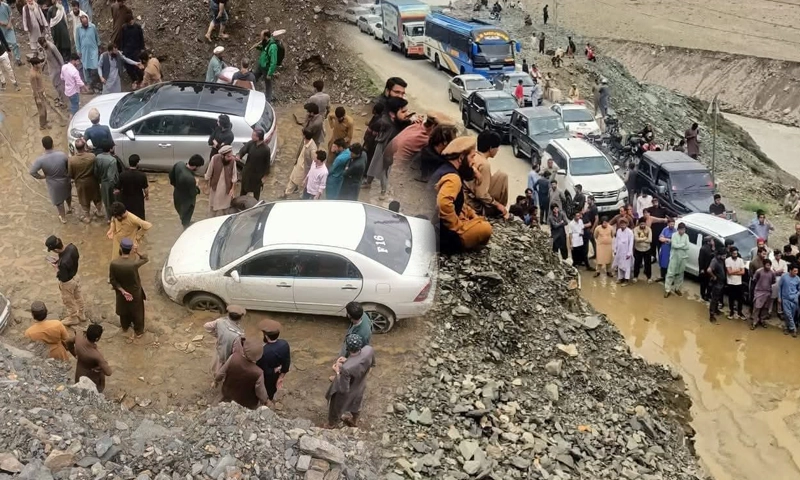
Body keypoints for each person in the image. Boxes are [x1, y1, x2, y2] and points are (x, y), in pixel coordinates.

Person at [429, 136, 492, 254]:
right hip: (438, 235)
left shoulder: (446, 169)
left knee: (475, 218)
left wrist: (470, 213)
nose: (474, 162)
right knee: (485, 228)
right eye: (472, 157)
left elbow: (457, 201)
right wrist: (456, 226)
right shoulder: (453, 179)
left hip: (432, 227)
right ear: (461, 158)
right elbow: (443, 204)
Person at [365, 97, 413, 199]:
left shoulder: (401, 122)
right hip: (381, 145)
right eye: (403, 111)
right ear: (392, 114)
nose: (406, 114)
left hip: (390, 150)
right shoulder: (386, 121)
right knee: (374, 164)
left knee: (385, 170)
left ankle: (383, 191)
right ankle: (368, 182)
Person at [325, 334, 375, 428]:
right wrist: (348, 360)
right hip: (360, 385)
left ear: (348, 348)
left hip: (349, 391)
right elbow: (371, 365)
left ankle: (331, 425)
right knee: (356, 404)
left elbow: (343, 389)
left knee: (335, 407)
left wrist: (338, 371)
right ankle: (354, 421)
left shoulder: (346, 368)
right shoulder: (369, 350)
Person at [108, 238, 148, 340]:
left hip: (121, 292)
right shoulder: (133, 264)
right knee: (137, 312)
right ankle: (138, 332)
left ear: (120, 248)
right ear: (130, 250)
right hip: (135, 292)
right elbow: (145, 258)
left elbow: (112, 280)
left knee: (123, 310)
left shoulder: (114, 263)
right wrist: (137, 251)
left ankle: (125, 327)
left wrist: (123, 291)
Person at [215, 337, 270, 409]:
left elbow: (220, 374)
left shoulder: (233, 357)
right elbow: (260, 392)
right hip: (246, 402)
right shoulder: (258, 373)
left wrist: (216, 380)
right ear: (259, 355)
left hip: (228, 393)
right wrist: (265, 400)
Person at [464, 131, 508, 218]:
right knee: (503, 176)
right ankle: (498, 212)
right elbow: (481, 194)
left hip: (466, 196)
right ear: (491, 148)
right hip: (473, 204)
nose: (498, 150)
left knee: (499, 176)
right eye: (497, 147)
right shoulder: (484, 164)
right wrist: (497, 204)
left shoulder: (473, 156)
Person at [30, 136, 72, 224]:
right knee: (68, 195)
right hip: (65, 180)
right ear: (53, 144)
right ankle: (70, 207)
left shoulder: (40, 160)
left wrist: (41, 177)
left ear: (43, 146)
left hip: (53, 183)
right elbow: (69, 165)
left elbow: (32, 172)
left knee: (59, 202)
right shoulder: (62, 155)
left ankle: (63, 218)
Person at [45, 235, 85, 325]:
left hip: (68, 283)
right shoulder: (72, 247)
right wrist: (59, 261)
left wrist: (56, 268)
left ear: (55, 250)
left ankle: (73, 318)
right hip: (76, 276)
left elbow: (63, 277)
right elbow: (69, 259)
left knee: (68, 301)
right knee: (78, 296)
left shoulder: (62, 263)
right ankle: (81, 314)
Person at [204, 305, 246, 378]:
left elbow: (207, 326)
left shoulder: (220, 321)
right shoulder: (237, 336)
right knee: (221, 369)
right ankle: (217, 380)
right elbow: (237, 352)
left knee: (216, 364)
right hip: (226, 355)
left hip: (219, 348)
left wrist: (216, 335)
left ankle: (215, 378)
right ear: (240, 318)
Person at [256, 319, 291, 404]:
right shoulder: (284, 343)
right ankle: (270, 398)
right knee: (272, 388)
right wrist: (281, 376)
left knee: (265, 388)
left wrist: (274, 370)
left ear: (266, 336)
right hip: (277, 374)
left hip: (267, 376)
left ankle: (264, 401)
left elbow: (262, 369)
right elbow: (287, 361)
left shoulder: (263, 351)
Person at [68, 138, 103, 222]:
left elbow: (70, 174)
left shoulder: (72, 160)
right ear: (85, 146)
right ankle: (99, 212)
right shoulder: (92, 156)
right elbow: (97, 169)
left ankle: (87, 217)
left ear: (76, 148)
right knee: (97, 197)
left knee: (84, 200)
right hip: (93, 181)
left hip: (81, 183)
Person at [71, 323, 112, 392]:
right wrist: (100, 367)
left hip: (80, 371)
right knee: (92, 392)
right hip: (92, 376)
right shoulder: (97, 355)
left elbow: (67, 342)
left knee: (79, 388)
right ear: (97, 338)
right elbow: (108, 372)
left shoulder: (78, 337)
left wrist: (74, 354)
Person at [169, 155, 204, 229]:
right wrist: (197, 185)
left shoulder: (179, 164)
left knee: (181, 212)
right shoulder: (190, 179)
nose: (198, 169)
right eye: (199, 167)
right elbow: (193, 193)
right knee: (186, 215)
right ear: (195, 166)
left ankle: (184, 223)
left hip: (177, 194)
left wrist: (176, 185)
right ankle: (186, 228)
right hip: (187, 201)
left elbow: (171, 175)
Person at [237, 128, 271, 200]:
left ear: (258, 138)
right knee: (243, 191)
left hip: (257, 176)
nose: (251, 136)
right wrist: (239, 155)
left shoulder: (266, 150)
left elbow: (267, 164)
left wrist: (265, 176)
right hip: (247, 172)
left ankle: (255, 206)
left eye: (253, 135)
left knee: (256, 193)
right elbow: (243, 150)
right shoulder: (251, 143)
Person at [205, 145, 238, 215]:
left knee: (226, 208)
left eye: (231, 155)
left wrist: (232, 189)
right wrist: (206, 185)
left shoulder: (233, 161)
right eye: (228, 156)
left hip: (226, 188)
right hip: (215, 187)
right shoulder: (214, 158)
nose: (230, 158)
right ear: (222, 156)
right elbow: (209, 172)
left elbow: (234, 176)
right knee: (213, 206)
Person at [283, 129, 316, 198]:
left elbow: (314, 162)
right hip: (298, 164)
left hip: (303, 169)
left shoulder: (313, 149)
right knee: (292, 179)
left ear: (305, 136)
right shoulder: (305, 142)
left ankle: (299, 196)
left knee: (300, 183)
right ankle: (287, 193)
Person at [93, 141, 120, 222]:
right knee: (113, 201)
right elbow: (111, 176)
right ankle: (114, 218)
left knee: (106, 201)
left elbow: (95, 171)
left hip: (102, 182)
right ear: (111, 148)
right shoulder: (112, 160)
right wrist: (115, 187)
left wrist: (99, 180)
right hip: (110, 184)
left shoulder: (98, 157)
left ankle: (109, 218)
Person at [115, 155, 148, 220]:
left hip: (125, 198)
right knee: (139, 216)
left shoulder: (122, 175)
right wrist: (147, 196)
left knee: (127, 216)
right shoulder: (142, 175)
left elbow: (118, 188)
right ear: (137, 163)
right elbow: (145, 188)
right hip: (138, 199)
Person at [75, 13, 101, 92]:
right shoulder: (78, 29)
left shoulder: (92, 26)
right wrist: (78, 51)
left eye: (87, 22)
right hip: (84, 51)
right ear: (81, 23)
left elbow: (97, 37)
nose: (86, 24)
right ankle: (89, 83)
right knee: (85, 67)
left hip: (93, 49)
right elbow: (77, 41)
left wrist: (99, 46)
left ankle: (95, 82)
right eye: (84, 23)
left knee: (95, 66)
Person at [664, 222, 690, 297]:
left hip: (683, 257)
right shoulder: (674, 235)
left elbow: (687, 247)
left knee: (680, 274)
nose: (682, 231)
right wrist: (682, 245)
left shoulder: (686, 236)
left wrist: (680, 246)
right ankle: (667, 290)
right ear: (678, 229)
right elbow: (674, 245)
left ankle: (677, 288)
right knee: (670, 273)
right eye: (681, 229)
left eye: (684, 230)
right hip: (674, 257)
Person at [38, 36, 66, 106]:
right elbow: (47, 57)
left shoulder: (52, 47)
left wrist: (63, 68)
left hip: (57, 68)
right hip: (51, 68)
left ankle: (62, 100)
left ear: (45, 41)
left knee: (58, 84)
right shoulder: (44, 48)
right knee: (54, 84)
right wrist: (43, 65)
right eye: (42, 45)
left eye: (44, 43)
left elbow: (59, 57)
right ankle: (60, 97)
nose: (43, 45)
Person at [120, 15, 144, 88]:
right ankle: (134, 80)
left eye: (131, 21)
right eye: (129, 22)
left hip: (136, 50)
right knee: (128, 67)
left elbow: (141, 38)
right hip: (127, 51)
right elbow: (122, 39)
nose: (131, 22)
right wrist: (122, 49)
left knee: (137, 66)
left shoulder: (137, 27)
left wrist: (142, 48)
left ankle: (140, 80)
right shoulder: (124, 28)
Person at [751, 259, 776, 329]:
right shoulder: (759, 271)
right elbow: (754, 279)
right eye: (767, 265)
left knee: (765, 308)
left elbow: (773, 281)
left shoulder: (772, 273)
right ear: (764, 265)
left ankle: (762, 320)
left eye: (769, 265)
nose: (768, 267)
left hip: (768, 292)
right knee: (757, 307)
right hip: (759, 291)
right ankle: (754, 322)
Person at [254, 29, 279, 100]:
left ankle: (268, 100)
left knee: (268, 85)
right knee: (253, 78)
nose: (260, 37)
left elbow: (273, 61)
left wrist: (270, 73)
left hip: (266, 68)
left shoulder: (273, 46)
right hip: (260, 66)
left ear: (265, 37)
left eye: (261, 36)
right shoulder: (266, 42)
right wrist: (258, 47)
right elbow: (264, 49)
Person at [28, 57, 50, 129]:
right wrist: (37, 98)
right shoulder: (33, 75)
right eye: (38, 63)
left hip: (42, 92)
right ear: (34, 65)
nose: (40, 64)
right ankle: (42, 125)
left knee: (45, 109)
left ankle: (45, 121)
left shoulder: (38, 69)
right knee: (42, 111)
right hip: (38, 94)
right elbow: (34, 88)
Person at [725, 247, 746, 319]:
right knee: (731, 298)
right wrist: (738, 270)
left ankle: (740, 312)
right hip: (730, 282)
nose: (735, 255)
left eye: (736, 253)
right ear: (731, 253)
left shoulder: (740, 260)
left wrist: (733, 271)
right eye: (734, 253)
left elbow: (743, 272)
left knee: (740, 298)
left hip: (738, 283)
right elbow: (729, 272)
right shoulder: (727, 260)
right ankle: (731, 312)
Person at [707, 248, 727, 323]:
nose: (725, 258)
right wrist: (714, 276)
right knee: (714, 299)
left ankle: (716, 310)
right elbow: (709, 270)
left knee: (717, 298)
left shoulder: (721, 260)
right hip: (716, 283)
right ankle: (711, 315)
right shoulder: (714, 261)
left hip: (721, 282)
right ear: (719, 255)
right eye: (723, 256)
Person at [779, 265, 800, 337]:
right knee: (788, 314)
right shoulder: (784, 277)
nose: (796, 272)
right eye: (795, 271)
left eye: (797, 271)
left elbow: (799, 289)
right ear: (790, 270)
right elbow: (779, 287)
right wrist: (779, 297)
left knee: (791, 315)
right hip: (785, 298)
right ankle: (794, 329)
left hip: (794, 300)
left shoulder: (798, 279)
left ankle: (787, 327)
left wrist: (797, 296)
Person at [613, 218, 634, 284]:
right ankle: (620, 278)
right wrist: (615, 249)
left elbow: (631, 243)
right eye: (621, 223)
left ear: (627, 224)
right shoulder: (618, 230)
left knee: (626, 266)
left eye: (624, 223)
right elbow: (616, 240)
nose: (622, 225)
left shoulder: (630, 232)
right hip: (619, 251)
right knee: (620, 265)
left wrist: (629, 253)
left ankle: (626, 280)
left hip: (626, 251)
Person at [0, 0, 21, 67]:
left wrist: (9, 23)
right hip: (1, 30)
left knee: (14, 43)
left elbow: (10, 15)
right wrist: (2, 23)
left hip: (9, 28)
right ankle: (8, 60)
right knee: (4, 45)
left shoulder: (5, 5)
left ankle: (18, 59)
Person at [632, 217, 653, 282]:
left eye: (644, 224)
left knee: (648, 264)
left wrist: (640, 239)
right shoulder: (635, 229)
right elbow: (636, 239)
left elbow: (650, 240)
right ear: (639, 224)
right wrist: (645, 238)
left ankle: (649, 277)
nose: (642, 225)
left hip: (647, 249)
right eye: (641, 224)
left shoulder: (649, 229)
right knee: (637, 264)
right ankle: (635, 277)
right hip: (638, 249)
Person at [698, 236, 716, 301]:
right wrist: (702, 269)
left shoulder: (711, 248)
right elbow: (700, 259)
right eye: (712, 241)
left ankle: (708, 294)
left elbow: (713, 255)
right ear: (708, 242)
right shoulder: (703, 249)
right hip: (705, 268)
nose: (713, 242)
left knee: (709, 283)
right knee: (704, 283)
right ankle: (703, 294)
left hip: (710, 268)